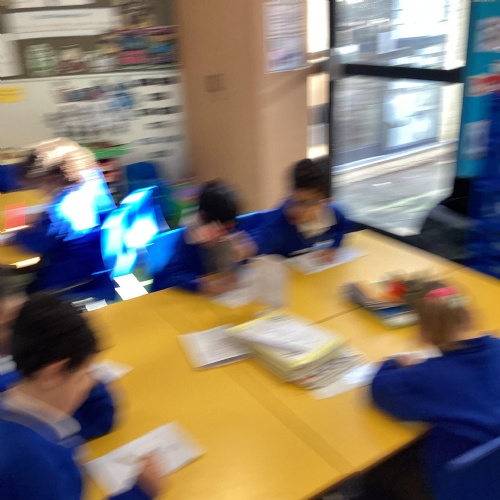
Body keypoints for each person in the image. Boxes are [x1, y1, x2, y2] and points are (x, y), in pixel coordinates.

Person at [0, 293, 162, 499]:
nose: (91, 382)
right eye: (84, 374)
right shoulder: (41, 468)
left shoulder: (17, 387)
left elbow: (101, 419)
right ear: (52, 373)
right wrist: (140, 492)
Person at [368, 285, 500, 500]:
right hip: (492, 477)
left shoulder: (426, 376)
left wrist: (394, 363)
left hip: (460, 486)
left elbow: (380, 390)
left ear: (424, 335)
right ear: (471, 318)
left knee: (379, 471)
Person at [0, 278, 115, 441]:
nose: (24, 329)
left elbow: (98, 417)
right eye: (10, 324)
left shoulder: (27, 369)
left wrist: (79, 371)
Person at [12, 139, 116, 298]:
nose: (40, 193)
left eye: (37, 187)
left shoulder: (60, 209)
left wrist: (19, 233)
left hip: (70, 284)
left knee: (18, 293)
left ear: (50, 179)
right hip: (101, 275)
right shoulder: (92, 187)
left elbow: (36, 244)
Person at [152, 180, 255, 295]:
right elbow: (170, 277)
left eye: (229, 228)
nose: (225, 233)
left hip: (224, 293)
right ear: (203, 218)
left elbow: (241, 259)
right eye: (221, 229)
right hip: (183, 296)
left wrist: (242, 259)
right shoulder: (191, 235)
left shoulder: (231, 222)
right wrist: (201, 285)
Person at [252, 158, 348, 261]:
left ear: (324, 203)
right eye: (293, 200)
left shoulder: (331, 214)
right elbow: (256, 242)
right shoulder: (278, 222)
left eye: (305, 203)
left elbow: (342, 225)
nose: (297, 209)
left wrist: (334, 247)